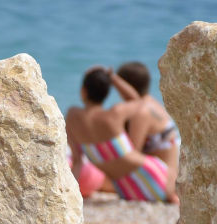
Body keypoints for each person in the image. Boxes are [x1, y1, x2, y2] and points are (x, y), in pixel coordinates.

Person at [66, 67, 176, 204]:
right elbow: (138, 100)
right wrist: (112, 77)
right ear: (107, 93)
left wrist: (68, 196)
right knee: (175, 199)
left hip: (127, 189)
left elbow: (77, 161)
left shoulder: (72, 116)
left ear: (83, 91)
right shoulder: (114, 114)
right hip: (153, 177)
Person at [113, 62, 180, 196]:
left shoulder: (141, 112)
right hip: (172, 178)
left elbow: (131, 155)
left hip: (161, 183)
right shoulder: (152, 103)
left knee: (98, 178)